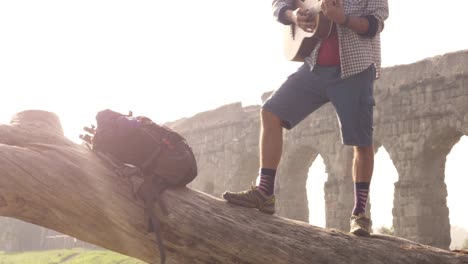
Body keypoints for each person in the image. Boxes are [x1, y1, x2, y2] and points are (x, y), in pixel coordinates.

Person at [223, 0, 389, 236]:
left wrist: (343, 18)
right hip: (315, 67)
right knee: (270, 112)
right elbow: (279, 4)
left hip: (355, 70)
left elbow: (375, 24)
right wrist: (293, 16)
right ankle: (264, 192)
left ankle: (360, 215)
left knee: (362, 143)